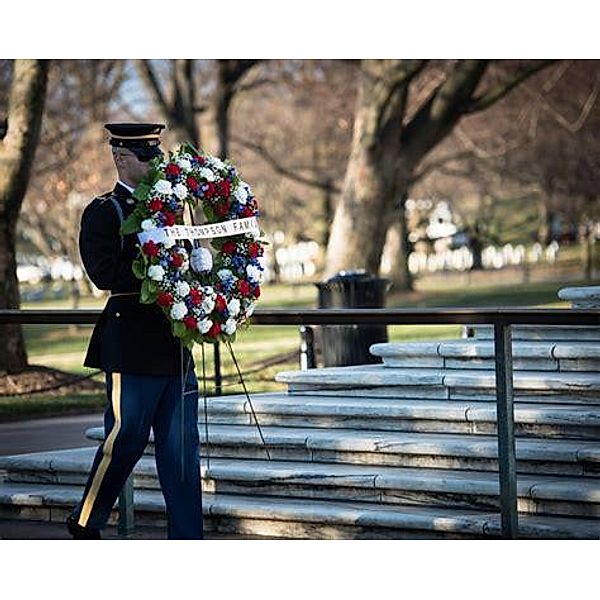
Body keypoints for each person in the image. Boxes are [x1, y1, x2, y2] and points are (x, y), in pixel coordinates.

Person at [66, 123, 204, 540]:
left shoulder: (172, 210)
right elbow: (104, 273)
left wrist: (198, 264)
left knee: (182, 449)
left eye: (156, 154)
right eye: (147, 156)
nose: (155, 162)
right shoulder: (105, 212)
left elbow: (182, 276)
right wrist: (160, 268)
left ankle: (187, 537)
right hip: (132, 346)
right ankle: (87, 518)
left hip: (173, 344)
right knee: (125, 439)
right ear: (121, 157)